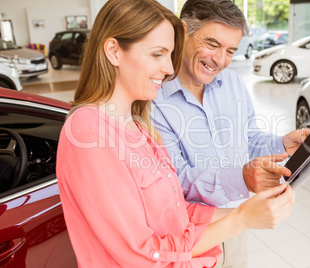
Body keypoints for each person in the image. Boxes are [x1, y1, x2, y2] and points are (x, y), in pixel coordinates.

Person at [56, 0, 295, 267]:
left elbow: (174, 209)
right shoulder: (90, 133)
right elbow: (141, 254)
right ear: (113, 51)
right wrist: (240, 219)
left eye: (169, 55)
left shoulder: (137, 125)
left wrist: (243, 213)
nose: (170, 69)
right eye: (157, 54)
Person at [151, 0, 310, 267]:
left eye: (230, 51)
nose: (220, 60)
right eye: (212, 44)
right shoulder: (154, 99)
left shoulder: (233, 84)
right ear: (182, 32)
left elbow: (248, 139)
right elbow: (174, 180)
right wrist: (242, 178)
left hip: (236, 217)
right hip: (188, 230)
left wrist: (282, 142)